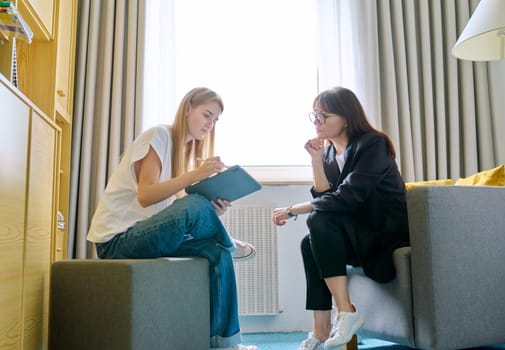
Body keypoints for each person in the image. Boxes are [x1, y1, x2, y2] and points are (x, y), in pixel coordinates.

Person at [87, 87, 257, 350]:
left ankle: (226, 344)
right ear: (188, 107)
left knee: (215, 251)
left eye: (215, 121)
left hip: (145, 234)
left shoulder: (183, 153)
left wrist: (212, 209)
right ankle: (229, 242)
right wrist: (196, 177)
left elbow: (171, 213)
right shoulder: (159, 135)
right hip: (117, 241)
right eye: (206, 115)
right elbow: (145, 195)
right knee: (196, 203)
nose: (210, 125)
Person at [272, 87, 409, 350]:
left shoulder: (372, 145)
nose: (317, 122)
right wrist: (315, 160)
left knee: (317, 221)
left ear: (346, 117)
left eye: (324, 116)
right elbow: (327, 196)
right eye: (314, 115)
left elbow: (347, 198)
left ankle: (346, 311)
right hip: (357, 232)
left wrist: (293, 209)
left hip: (384, 232)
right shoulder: (328, 152)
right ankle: (320, 330)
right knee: (308, 243)